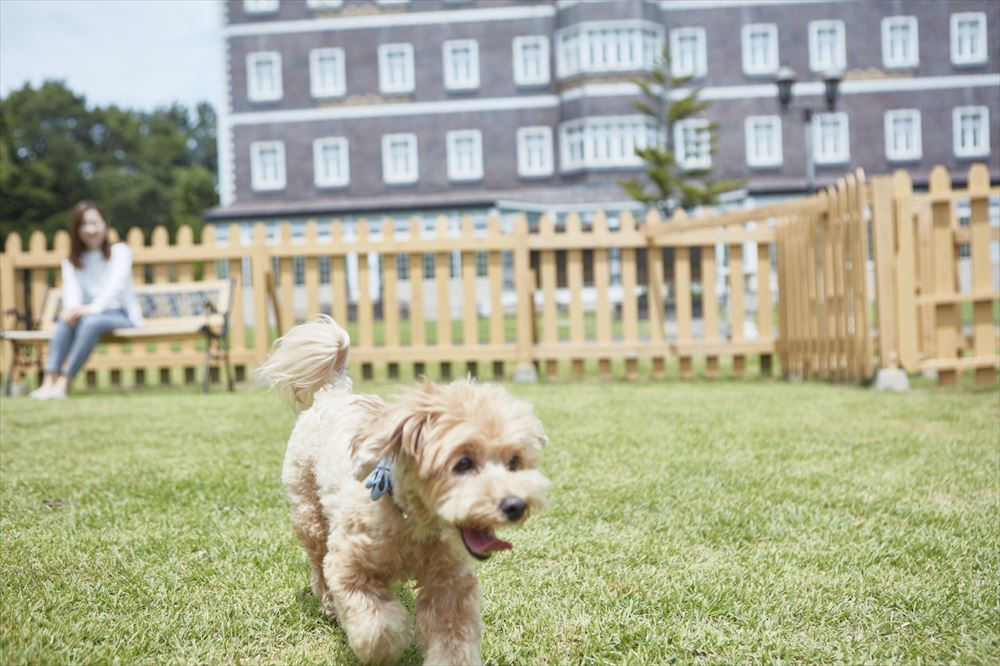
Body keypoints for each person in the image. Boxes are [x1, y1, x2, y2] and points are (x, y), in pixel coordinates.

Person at [30, 202, 143, 399]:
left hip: (122, 315)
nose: (91, 229)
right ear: (77, 230)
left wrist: (91, 309)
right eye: (84, 224)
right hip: (88, 316)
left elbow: (115, 287)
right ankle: (49, 380)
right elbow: (72, 295)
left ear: (104, 224)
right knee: (66, 319)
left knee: (91, 322)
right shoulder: (72, 261)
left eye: (95, 223)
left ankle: (65, 381)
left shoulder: (121, 252)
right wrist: (73, 311)